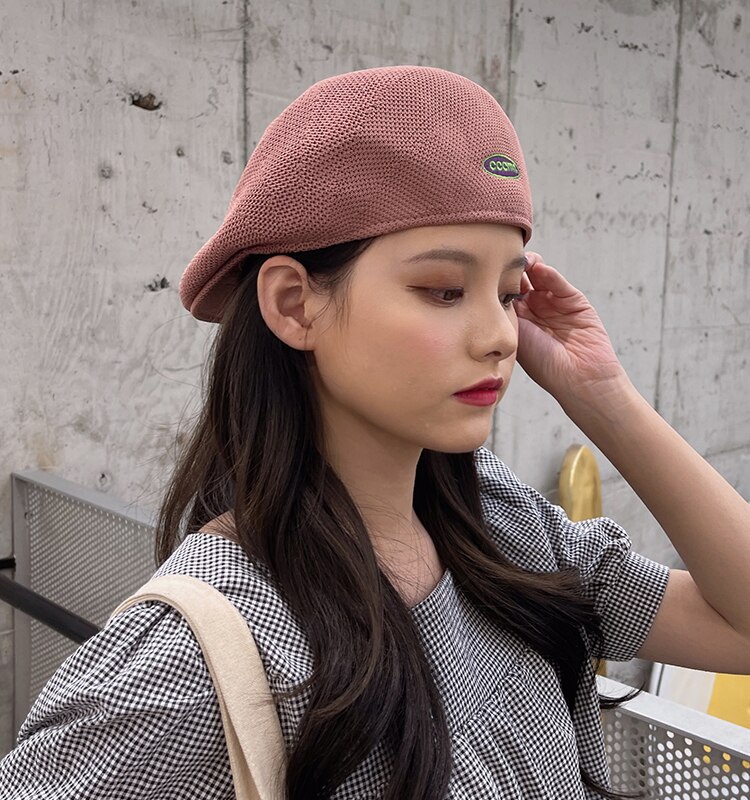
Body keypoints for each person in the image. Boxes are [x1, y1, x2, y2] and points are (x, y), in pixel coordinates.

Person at [1, 65, 748, 800]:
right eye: (444, 290)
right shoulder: (205, 654)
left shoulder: (503, 529)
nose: (500, 334)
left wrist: (604, 397)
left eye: (509, 292)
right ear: (295, 305)